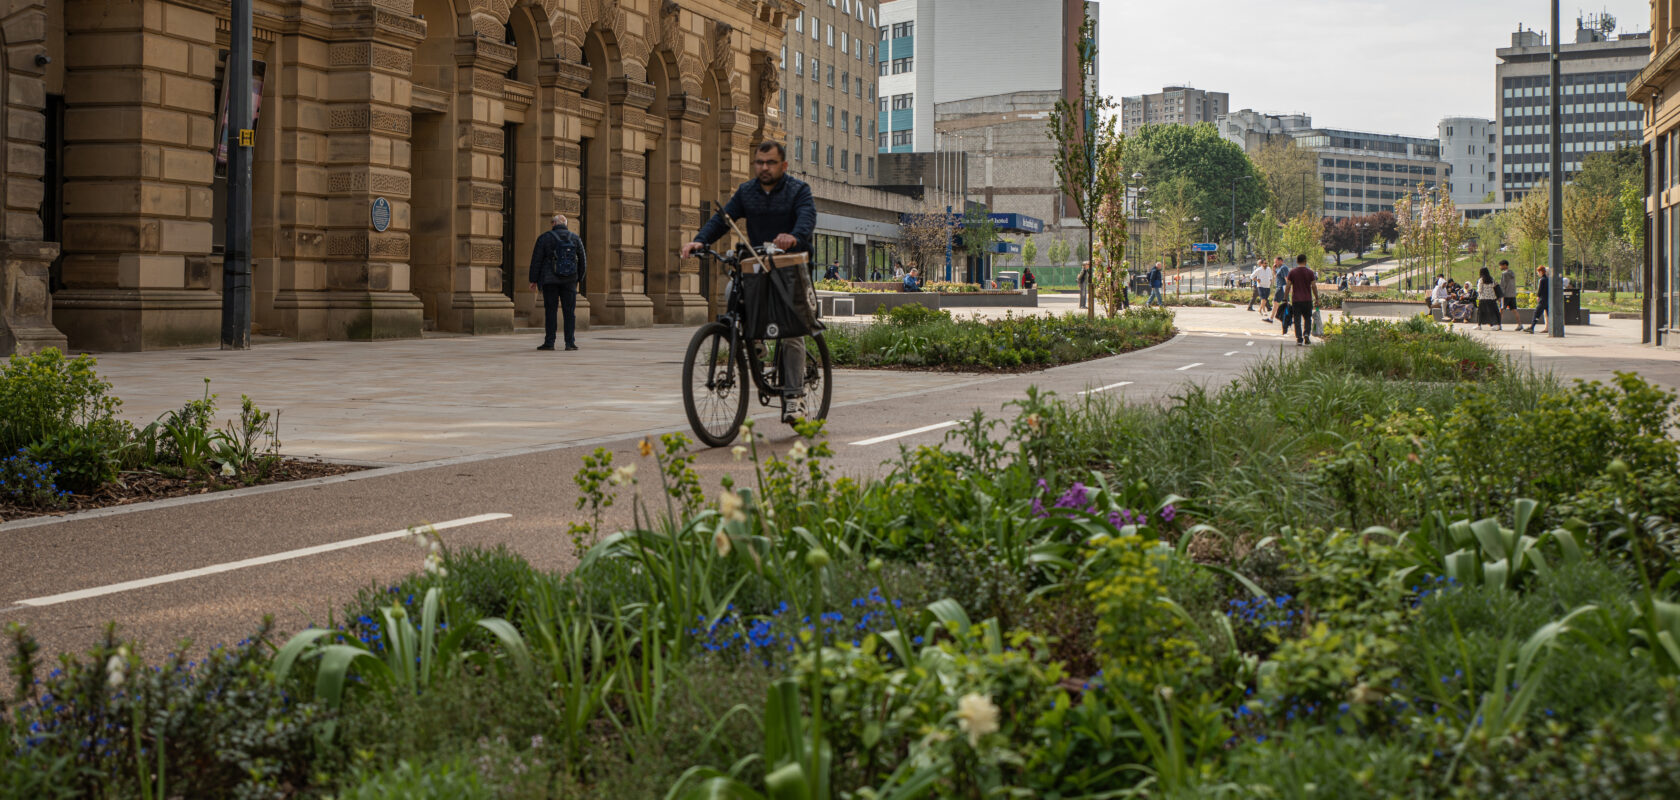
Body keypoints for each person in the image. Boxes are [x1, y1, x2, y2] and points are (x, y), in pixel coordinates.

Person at [681, 140, 816, 424]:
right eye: (759, 162)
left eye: (770, 163)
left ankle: (794, 398)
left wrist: (793, 236)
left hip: (790, 266)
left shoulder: (798, 191)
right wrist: (700, 240)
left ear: (783, 166)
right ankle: (756, 340)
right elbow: (723, 219)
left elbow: (806, 220)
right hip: (757, 264)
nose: (764, 167)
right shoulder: (747, 192)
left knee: (792, 332)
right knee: (733, 289)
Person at [528, 213, 587, 352]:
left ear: (554, 224)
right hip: (570, 280)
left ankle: (549, 342)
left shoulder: (544, 238)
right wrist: (579, 278)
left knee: (550, 311)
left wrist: (533, 279)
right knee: (569, 312)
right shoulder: (575, 238)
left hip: (550, 280)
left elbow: (537, 260)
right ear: (565, 224)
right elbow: (583, 260)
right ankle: (570, 343)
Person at [1284, 254, 1318, 345]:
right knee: (1307, 318)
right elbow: (1314, 286)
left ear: (1297, 261)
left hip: (1296, 300)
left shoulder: (1292, 272)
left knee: (1297, 319)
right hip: (1307, 299)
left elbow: (1288, 286)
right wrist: (1317, 298)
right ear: (1305, 261)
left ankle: (1299, 338)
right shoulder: (1310, 272)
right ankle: (1306, 334)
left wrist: (1285, 298)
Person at [1521, 265, 1551, 333]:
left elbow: (1540, 290)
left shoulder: (1542, 280)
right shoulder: (1548, 279)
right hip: (1548, 300)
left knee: (1537, 313)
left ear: (1541, 272)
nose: (1537, 274)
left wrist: (1538, 296)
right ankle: (1550, 328)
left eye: (1538, 272)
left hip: (1542, 299)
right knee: (1548, 314)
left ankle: (1532, 327)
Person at [1475, 267, 1502, 331]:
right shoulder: (1492, 279)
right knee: (1493, 312)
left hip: (1483, 299)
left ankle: (1479, 325)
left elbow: (1479, 290)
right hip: (1492, 298)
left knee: (1481, 313)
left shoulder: (1481, 280)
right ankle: (1497, 325)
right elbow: (1495, 287)